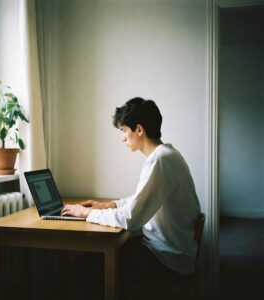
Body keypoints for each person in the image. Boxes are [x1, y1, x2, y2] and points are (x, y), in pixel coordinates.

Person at [61, 97, 201, 297]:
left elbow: (130, 219)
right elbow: (140, 199)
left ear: (139, 129)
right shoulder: (166, 156)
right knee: (91, 259)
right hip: (165, 248)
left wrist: (86, 213)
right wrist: (107, 205)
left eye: (124, 131)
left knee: (83, 267)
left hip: (168, 258)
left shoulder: (160, 161)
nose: (123, 138)